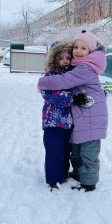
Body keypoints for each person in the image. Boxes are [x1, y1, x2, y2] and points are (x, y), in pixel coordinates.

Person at [38, 30, 108, 192]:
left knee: (88, 152)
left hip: (90, 117)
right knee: (75, 150)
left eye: (83, 48)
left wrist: (42, 82)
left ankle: (89, 183)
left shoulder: (84, 68)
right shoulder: (78, 67)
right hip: (78, 118)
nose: (78, 51)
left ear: (90, 51)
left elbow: (65, 81)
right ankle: (77, 174)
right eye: (76, 47)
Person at [40, 42, 74, 191]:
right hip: (52, 121)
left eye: (68, 57)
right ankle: (53, 179)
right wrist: (71, 98)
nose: (65, 61)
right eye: (61, 58)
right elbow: (47, 93)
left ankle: (64, 174)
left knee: (66, 150)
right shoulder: (50, 74)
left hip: (67, 121)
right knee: (54, 150)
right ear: (54, 58)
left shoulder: (73, 75)